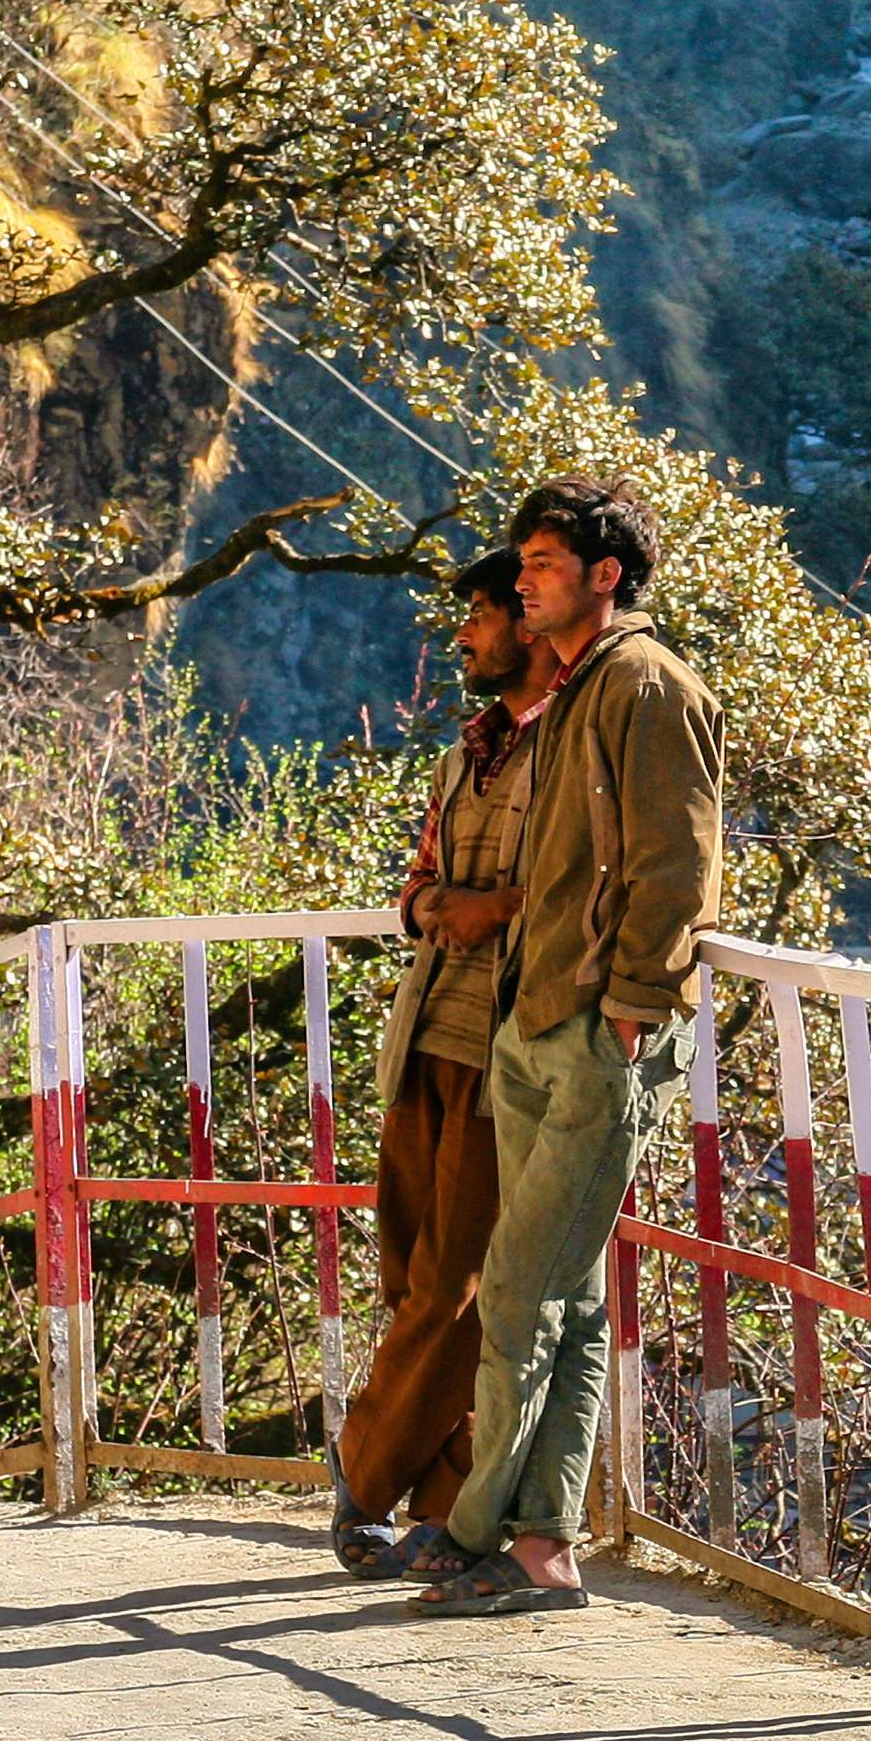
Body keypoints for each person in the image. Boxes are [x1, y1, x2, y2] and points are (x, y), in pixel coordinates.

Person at [417, 478, 720, 1618]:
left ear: (606, 574)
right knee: (571, 1299)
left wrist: (637, 1006)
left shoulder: (650, 685)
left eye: (544, 559)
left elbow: (677, 865)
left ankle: (478, 1527)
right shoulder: (571, 690)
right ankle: (543, 1547)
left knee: (515, 1286)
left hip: (600, 1033)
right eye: (524, 559)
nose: (524, 575)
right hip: (536, 1023)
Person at [332, 547, 543, 1579]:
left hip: (505, 1052)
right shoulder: (466, 753)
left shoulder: (571, 750)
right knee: (413, 1276)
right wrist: (443, 907)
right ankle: (446, 1503)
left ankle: (361, 1476)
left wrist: (493, 908)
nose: (463, 634)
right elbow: (415, 884)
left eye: (481, 614)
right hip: (425, 1037)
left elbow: (568, 892)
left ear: (530, 623)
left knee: (455, 1287)